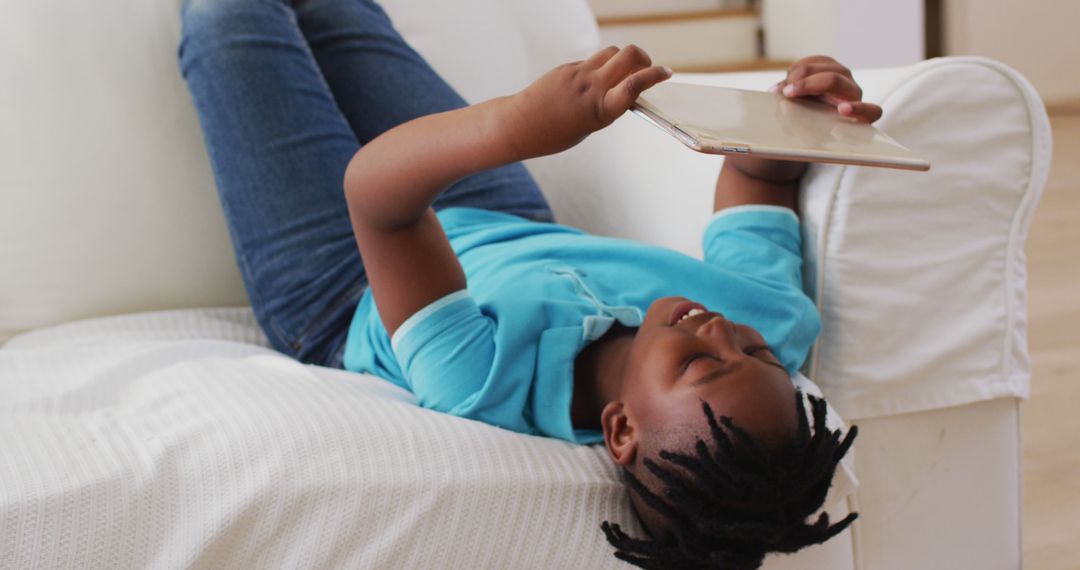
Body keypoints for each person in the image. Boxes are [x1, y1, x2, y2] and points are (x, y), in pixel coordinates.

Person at [179, 0, 870, 567]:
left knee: (228, 18)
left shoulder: (482, 379)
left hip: (343, 277)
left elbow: (377, 199)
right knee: (336, 11)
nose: (722, 332)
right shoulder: (773, 319)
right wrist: (806, 106)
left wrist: (513, 125)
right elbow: (760, 177)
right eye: (755, 355)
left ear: (622, 428)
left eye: (698, 364)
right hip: (502, 212)